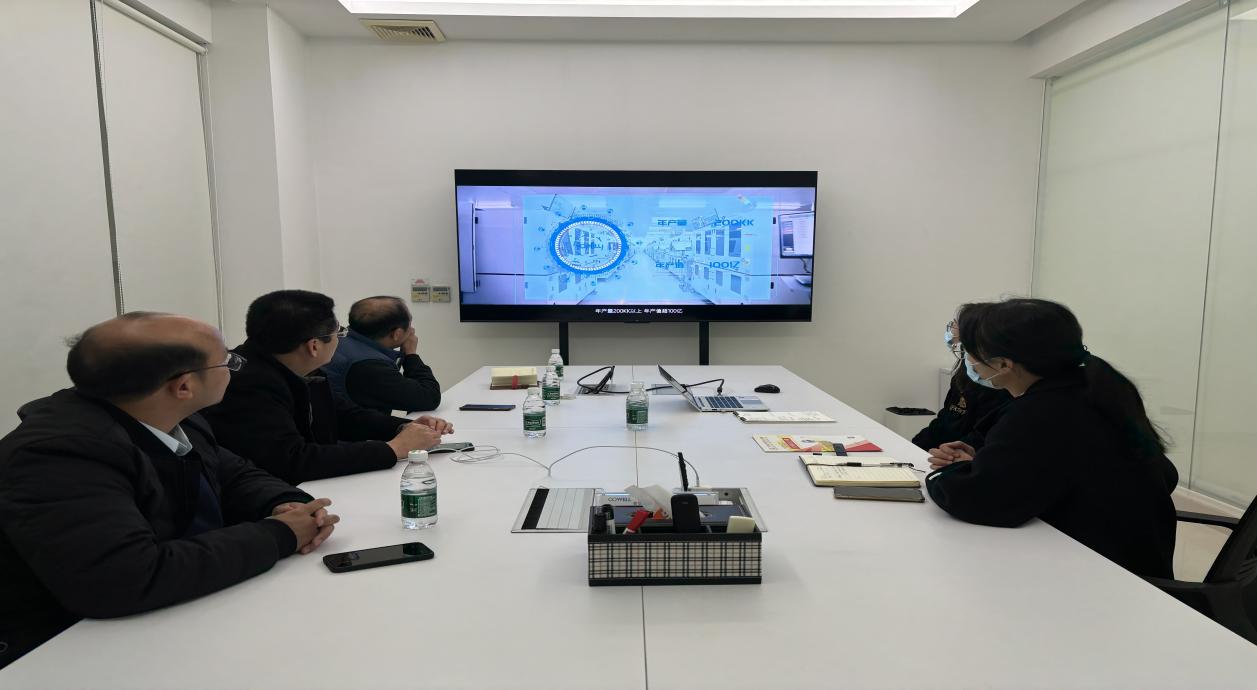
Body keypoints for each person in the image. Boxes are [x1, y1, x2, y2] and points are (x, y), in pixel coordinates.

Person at [0, 313, 340, 668]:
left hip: (180, 612)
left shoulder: (168, 414)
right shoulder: (59, 456)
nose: (234, 368)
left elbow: (233, 473)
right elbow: (124, 578)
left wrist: (284, 502)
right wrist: (279, 534)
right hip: (66, 650)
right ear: (183, 386)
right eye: (227, 361)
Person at [924, 298, 1179, 578]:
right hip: (1131, 558)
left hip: (1101, 575)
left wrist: (952, 471)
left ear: (1004, 364)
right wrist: (984, 462)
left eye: (970, 352)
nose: (968, 361)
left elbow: (978, 498)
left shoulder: (1041, 411)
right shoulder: (1091, 387)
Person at [203, 290, 452, 485]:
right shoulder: (249, 386)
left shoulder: (300, 368)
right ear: (314, 346)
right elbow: (294, 461)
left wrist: (403, 427)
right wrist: (393, 449)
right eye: (339, 333)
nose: (340, 339)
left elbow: (343, 415)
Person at [322, 296, 441, 413]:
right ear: (397, 334)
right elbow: (429, 397)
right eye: (409, 325)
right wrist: (411, 354)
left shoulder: (337, 342)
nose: (412, 330)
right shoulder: (369, 366)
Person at [911, 317, 1010, 451]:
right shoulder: (965, 372)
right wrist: (913, 447)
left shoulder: (995, 383)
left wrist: (949, 454)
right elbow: (945, 419)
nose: (952, 327)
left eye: (956, 323)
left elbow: (982, 435)